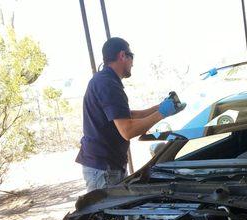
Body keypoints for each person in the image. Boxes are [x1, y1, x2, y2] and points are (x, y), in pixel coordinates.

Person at [75, 37, 183, 192]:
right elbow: (127, 130)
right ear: (122, 55)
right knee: (108, 216)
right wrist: (161, 113)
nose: (133, 63)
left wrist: (158, 107)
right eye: (132, 57)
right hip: (104, 170)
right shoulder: (107, 83)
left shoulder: (104, 80)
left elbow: (127, 116)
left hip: (106, 166)